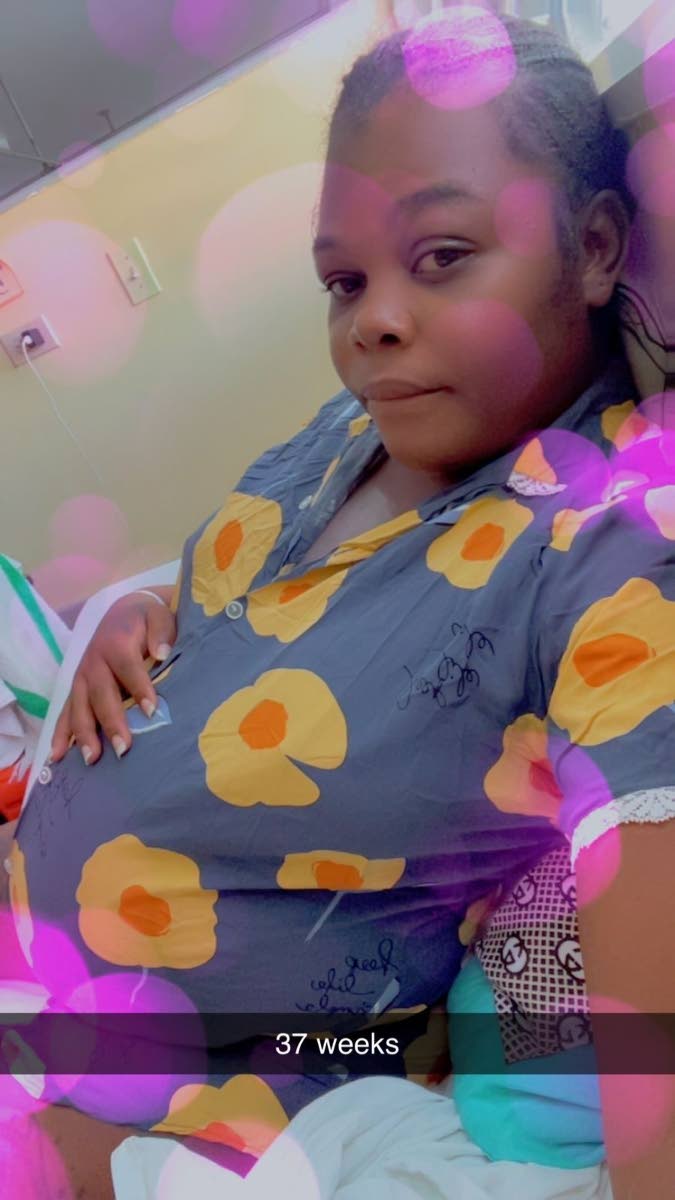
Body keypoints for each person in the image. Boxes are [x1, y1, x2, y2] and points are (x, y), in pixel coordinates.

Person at [3, 10, 674, 1199]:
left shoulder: (604, 552)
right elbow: (251, 601)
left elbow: (649, 1069)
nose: (371, 320)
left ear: (595, 247)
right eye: (343, 281)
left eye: (443, 255)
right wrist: (137, 613)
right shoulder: (347, 433)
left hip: (204, 1082)